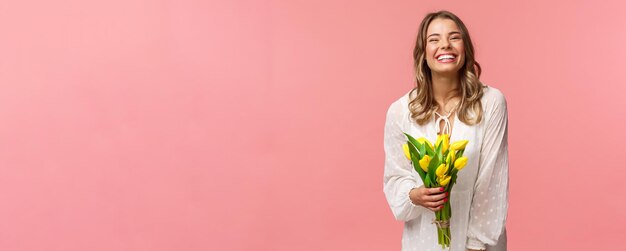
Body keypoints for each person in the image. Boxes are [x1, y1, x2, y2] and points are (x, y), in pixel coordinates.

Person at [383, 10, 509, 251]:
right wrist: (414, 194)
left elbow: (492, 183)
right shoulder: (400, 111)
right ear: (423, 52)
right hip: (422, 240)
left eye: (454, 37)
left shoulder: (491, 102)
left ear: (466, 47)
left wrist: (476, 245)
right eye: (434, 39)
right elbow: (395, 177)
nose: (445, 45)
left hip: (479, 244)